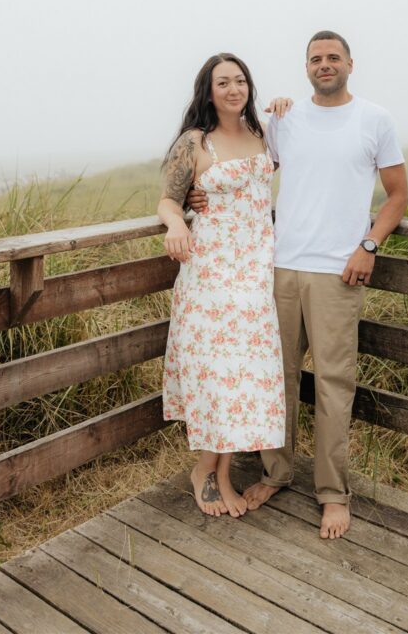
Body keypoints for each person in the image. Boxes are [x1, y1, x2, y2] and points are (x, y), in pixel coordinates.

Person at [189, 30, 408, 539]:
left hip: (338, 271)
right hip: (279, 266)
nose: (325, 64)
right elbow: (246, 173)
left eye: (333, 57)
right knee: (275, 380)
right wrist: (197, 201)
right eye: (316, 58)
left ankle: (333, 494)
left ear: (350, 62)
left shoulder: (375, 119)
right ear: (306, 67)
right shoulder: (282, 121)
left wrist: (369, 245)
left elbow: (397, 195)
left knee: (334, 386)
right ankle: (276, 474)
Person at [158, 53, 290, 519]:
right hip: (211, 274)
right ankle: (206, 473)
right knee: (217, 374)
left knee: (246, 376)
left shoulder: (261, 133)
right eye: (223, 82)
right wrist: (177, 224)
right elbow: (168, 201)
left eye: (240, 81)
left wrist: (285, 106)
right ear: (207, 91)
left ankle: (222, 472)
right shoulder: (195, 142)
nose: (234, 89)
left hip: (255, 274)